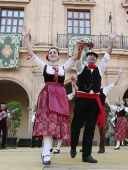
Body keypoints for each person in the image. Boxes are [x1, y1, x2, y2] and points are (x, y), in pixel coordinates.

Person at [20, 24, 78, 165]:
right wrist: (26, 37)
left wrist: (77, 45)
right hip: (47, 96)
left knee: (55, 125)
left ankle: (46, 150)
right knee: (48, 124)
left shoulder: (64, 67)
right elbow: (30, 53)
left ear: (58, 56)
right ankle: (46, 152)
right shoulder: (44, 66)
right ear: (48, 56)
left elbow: (75, 57)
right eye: (50, 52)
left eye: (55, 52)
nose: (53, 53)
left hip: (60, 97)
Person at [70, 31, 117, 163]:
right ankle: (73, 146)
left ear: (96, 59)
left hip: (93, 102)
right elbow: (78, 58)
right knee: (76, 126)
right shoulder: (80, 67)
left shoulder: (100, 69)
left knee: (90, 128)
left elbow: (107, 55)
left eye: (94, 56)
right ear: (87, 58)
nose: (92, 57)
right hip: (81, 100)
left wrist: (111, 40)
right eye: (90, 56)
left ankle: (86, 155)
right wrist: (79, 48)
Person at [52, 76, 77, 154]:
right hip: (55, 117)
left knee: (62, 132)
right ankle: (49, 146)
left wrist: (73, 84)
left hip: (63, 117)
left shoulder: (66, 97)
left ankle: (58, 147)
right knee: (52, 131)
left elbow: (73, 94)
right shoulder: (54, 98)